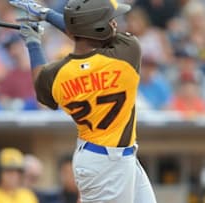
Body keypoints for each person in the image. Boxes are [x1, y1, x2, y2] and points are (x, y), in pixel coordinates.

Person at [9, 0, 157, 202]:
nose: (115, 24)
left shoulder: (57, 73)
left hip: (104, 158)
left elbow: (40, 83)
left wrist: (33, 43)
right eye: (110, 20)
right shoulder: (127, 52)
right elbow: (90, 34)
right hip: (106, 165)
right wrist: (49, 15)